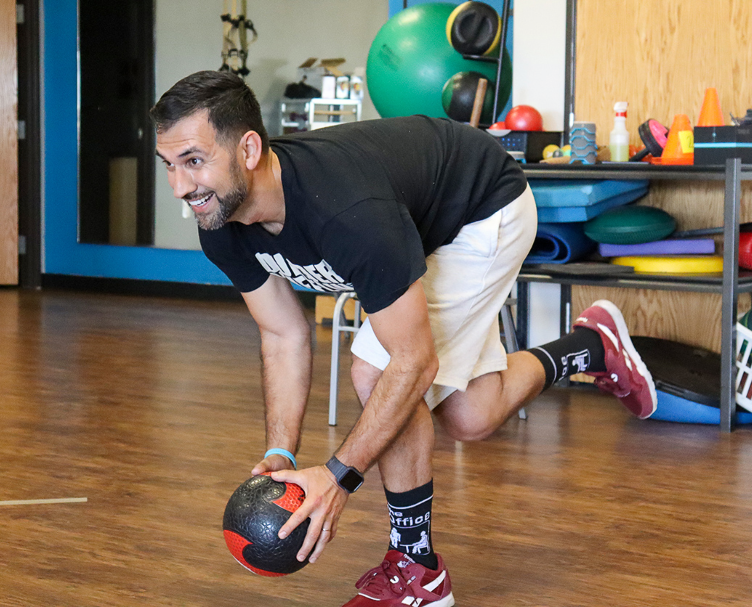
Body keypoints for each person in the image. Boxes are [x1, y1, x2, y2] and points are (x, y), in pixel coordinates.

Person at [150, 71, 656, 607]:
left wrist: (337, 478)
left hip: (482, 208)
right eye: (170, 167)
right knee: (470, 416)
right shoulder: (221, 220)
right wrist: (281, 452)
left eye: (194, 161)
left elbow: (413, 362)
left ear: (248, 148)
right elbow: (282, 333)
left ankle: (418, 571)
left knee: (379, 367)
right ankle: (591, 344)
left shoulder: (345, 210)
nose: (181, 188)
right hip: (421, 220)